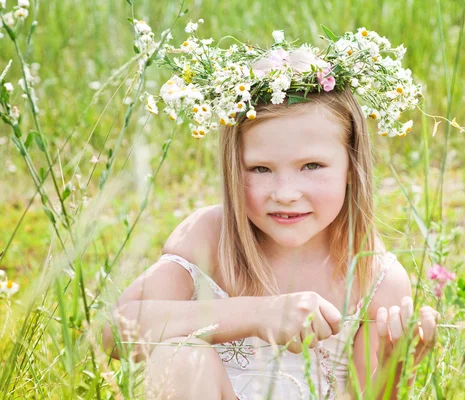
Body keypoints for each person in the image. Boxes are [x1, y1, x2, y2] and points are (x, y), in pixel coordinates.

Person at [102, 26, 442, 399]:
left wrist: (397, 365)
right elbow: (110, 331)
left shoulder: (373, 276)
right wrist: (259, 313)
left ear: (351, 166)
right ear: (234, 168)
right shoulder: (208, 237)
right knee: (180, 357)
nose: (285, 194)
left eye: (312, 166)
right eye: (260, 169)